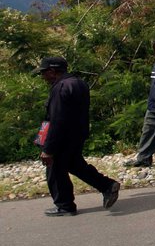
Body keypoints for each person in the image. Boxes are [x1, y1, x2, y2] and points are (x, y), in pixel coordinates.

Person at [34, 57, 120, 216]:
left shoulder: (60, 87)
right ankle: (107, 186)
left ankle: (64, 205)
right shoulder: (78, 83)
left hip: (62, 137)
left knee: (55, 169)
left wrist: (48, 149)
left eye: (44, 73)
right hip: (77, 134)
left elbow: (57, 120)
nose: (43, 77)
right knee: (74, 164)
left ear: (52, 71)